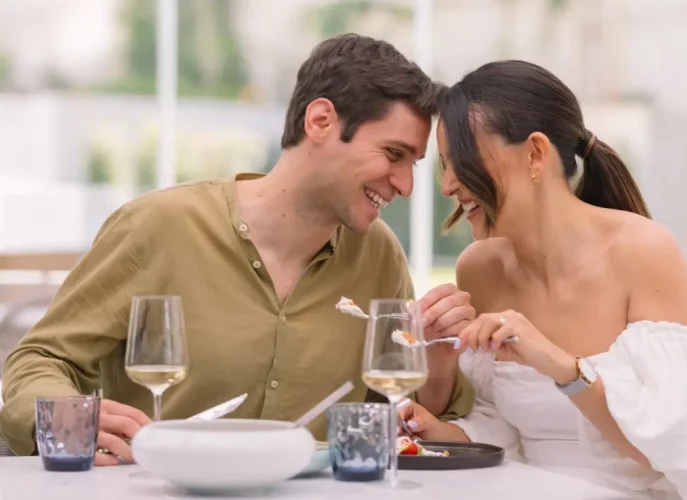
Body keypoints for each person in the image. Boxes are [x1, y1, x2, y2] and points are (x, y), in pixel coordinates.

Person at [0, 34, 476, 464]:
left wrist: (436, 367)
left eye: (413, 164)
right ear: (321, 121)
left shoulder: (379, 258)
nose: (406, 186)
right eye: (394, 155)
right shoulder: (157, 228)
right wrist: (68, 419)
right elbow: (42, 358)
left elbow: (406, 425)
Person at [399, 60, 687, 500]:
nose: (446, 185)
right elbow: (506, 426)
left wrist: (557, 364)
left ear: (535, 154)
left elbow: (673, 447)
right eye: (443, 165)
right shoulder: (478, 268)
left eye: (460, 162)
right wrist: (440, 428)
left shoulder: (645, 252)